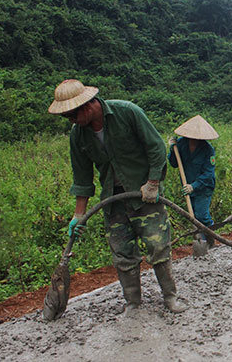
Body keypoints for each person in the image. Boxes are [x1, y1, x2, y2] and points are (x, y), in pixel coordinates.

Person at [48, 79, 187, 314]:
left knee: (157, 246)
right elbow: (82, 178)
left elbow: (155, 147)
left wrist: (153, 183)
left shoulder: (127, 112)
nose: (71, 121)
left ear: (87, 106)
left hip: (145, 196)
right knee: (122, 253)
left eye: (72, 116)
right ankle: (133, 303)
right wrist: (78, 215)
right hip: (113, 201)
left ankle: (170, 297)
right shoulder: (78, 135)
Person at [168, 115, 218, 252]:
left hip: (203, 187)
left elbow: (208, 174)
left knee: (202, 215)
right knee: (193, 216)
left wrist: (194, 186)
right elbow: (173, 163)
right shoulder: (181, 144)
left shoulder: (208, 150)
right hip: (187, 185)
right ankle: (201, 240)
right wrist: (172, 149)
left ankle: (210, 236)